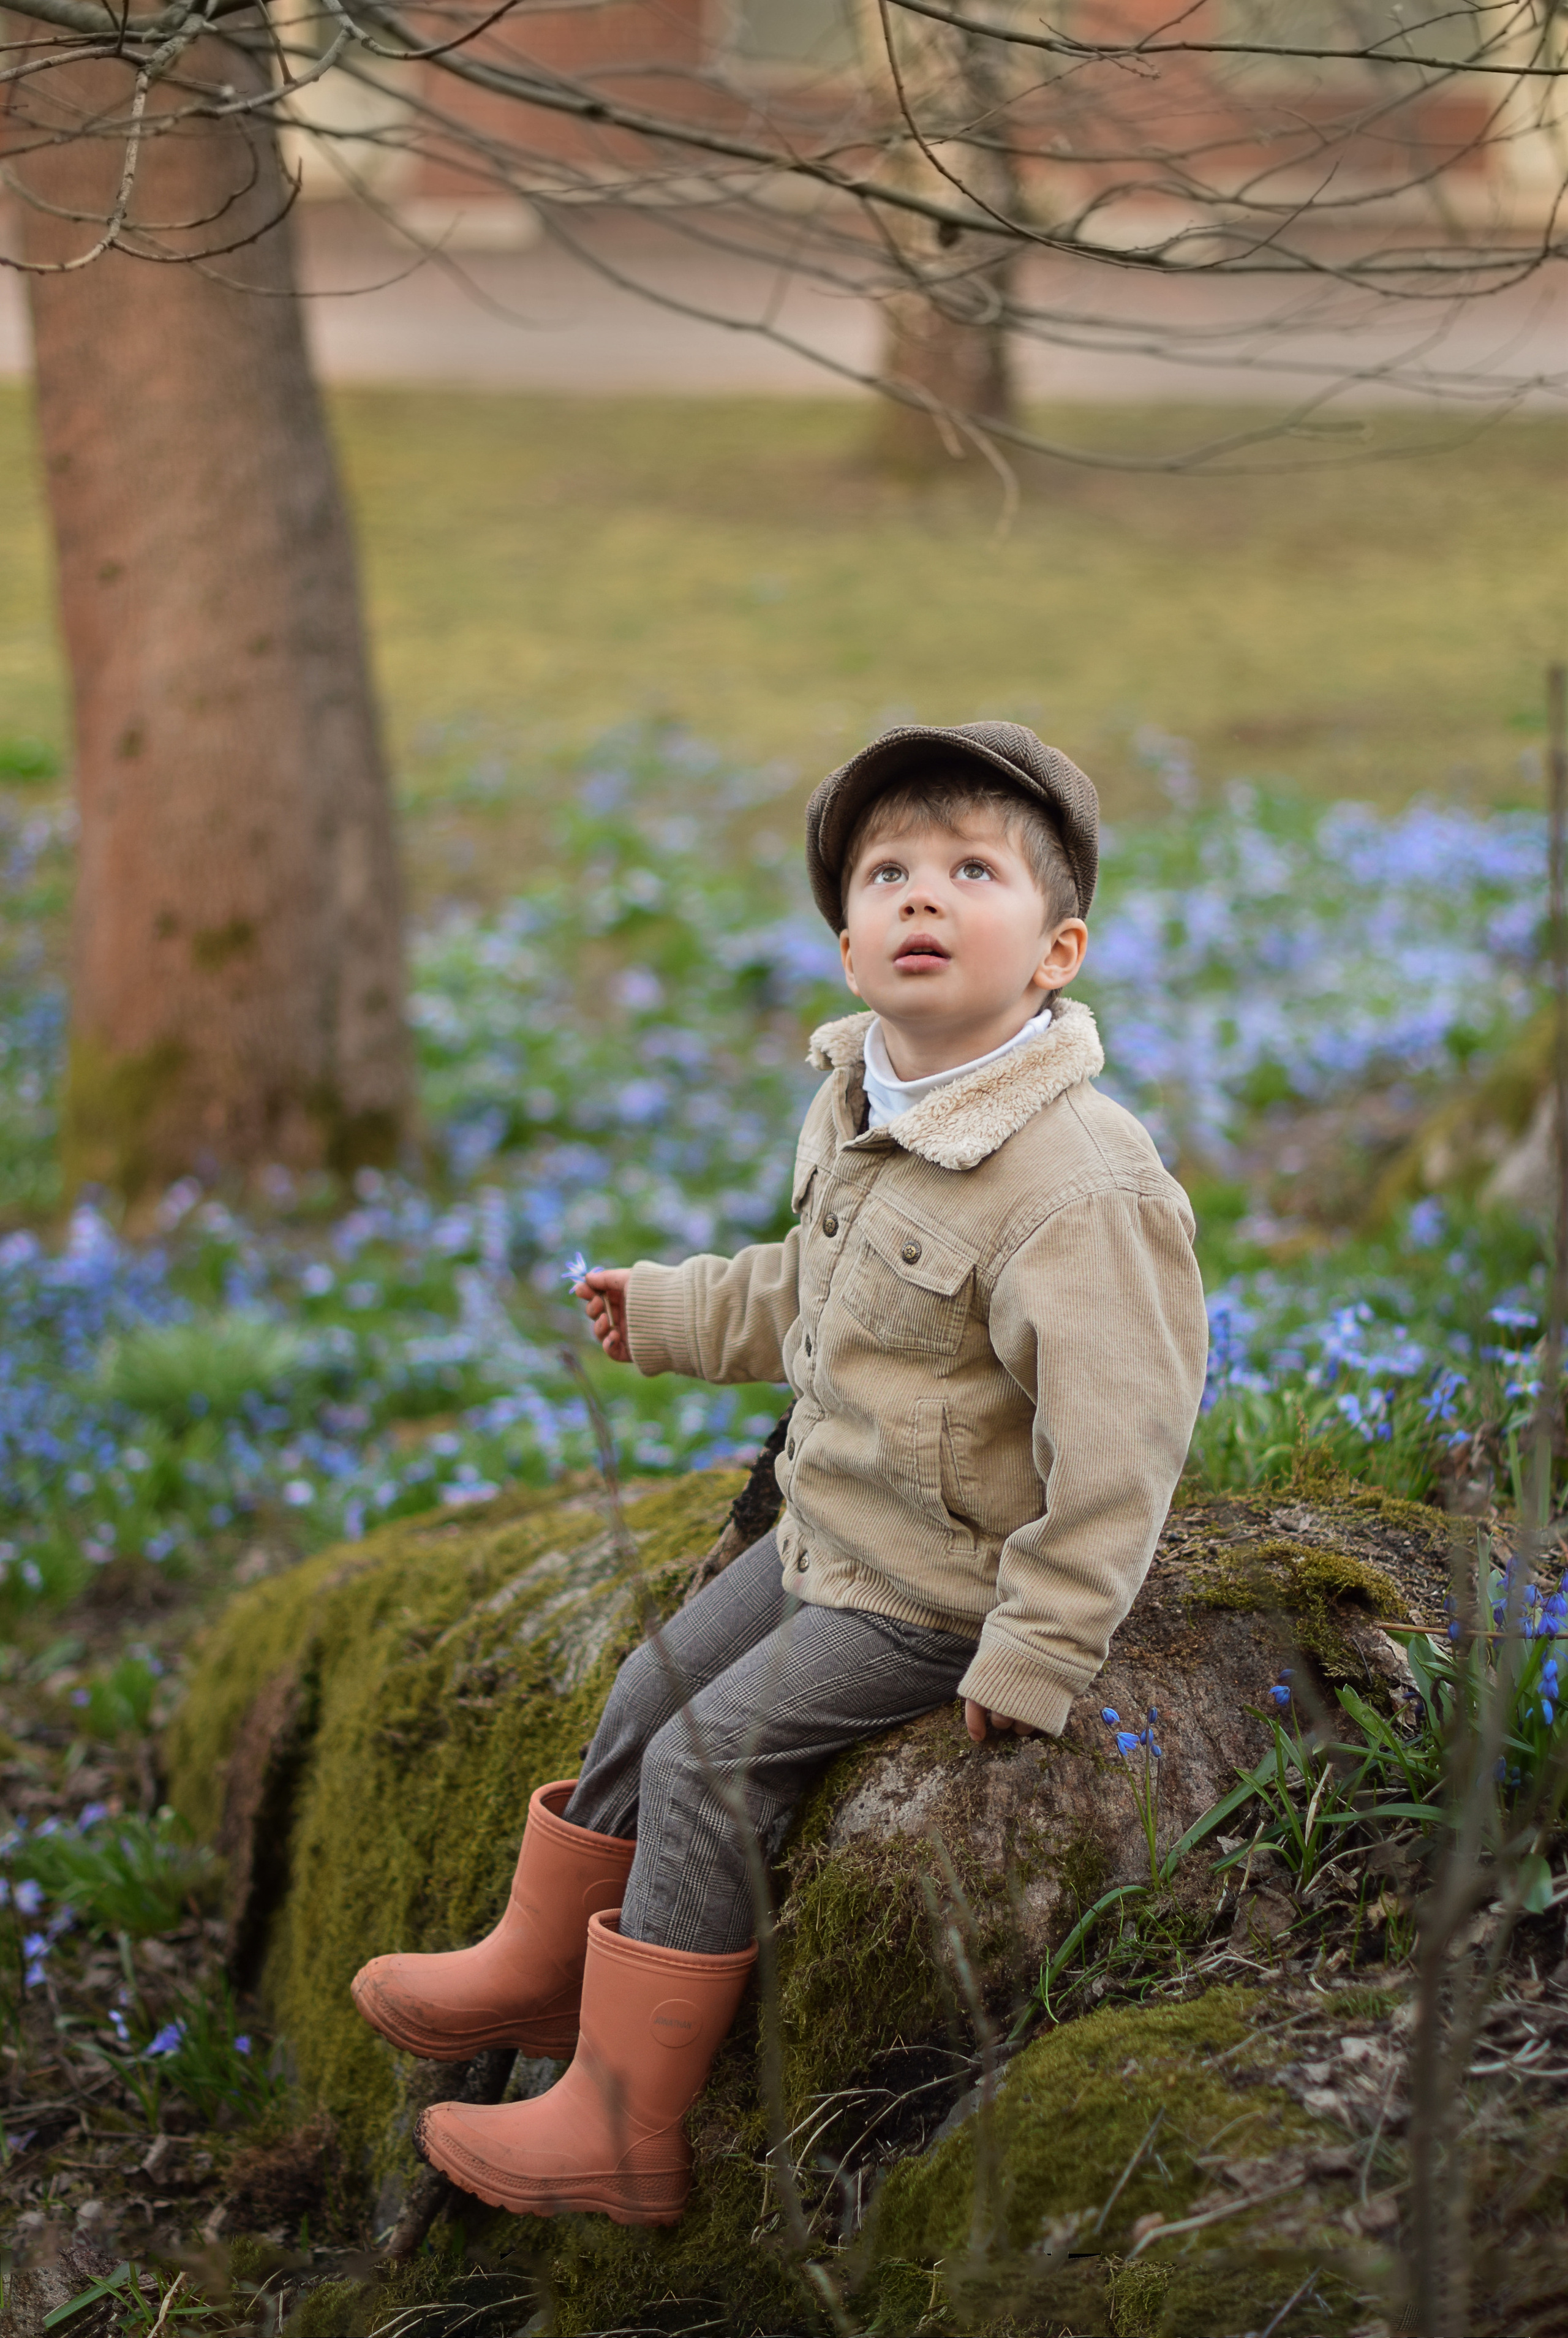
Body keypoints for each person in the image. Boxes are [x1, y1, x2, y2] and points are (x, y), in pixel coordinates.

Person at [350, 721, 1209, 2228]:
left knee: (709, 1758)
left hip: (936, 1587)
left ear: (1056, 951)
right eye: (886, 874)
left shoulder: (1079, 1182)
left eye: (971, 871)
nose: (921, 895)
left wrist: (1043, 1643)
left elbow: (1123, 1439)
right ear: (845, 943)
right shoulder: (864, 1101)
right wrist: (674, 1310)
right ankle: (543, 1972)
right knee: (648, 1691)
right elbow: (816, 1290)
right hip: (829, 1533)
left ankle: (622, 2124)